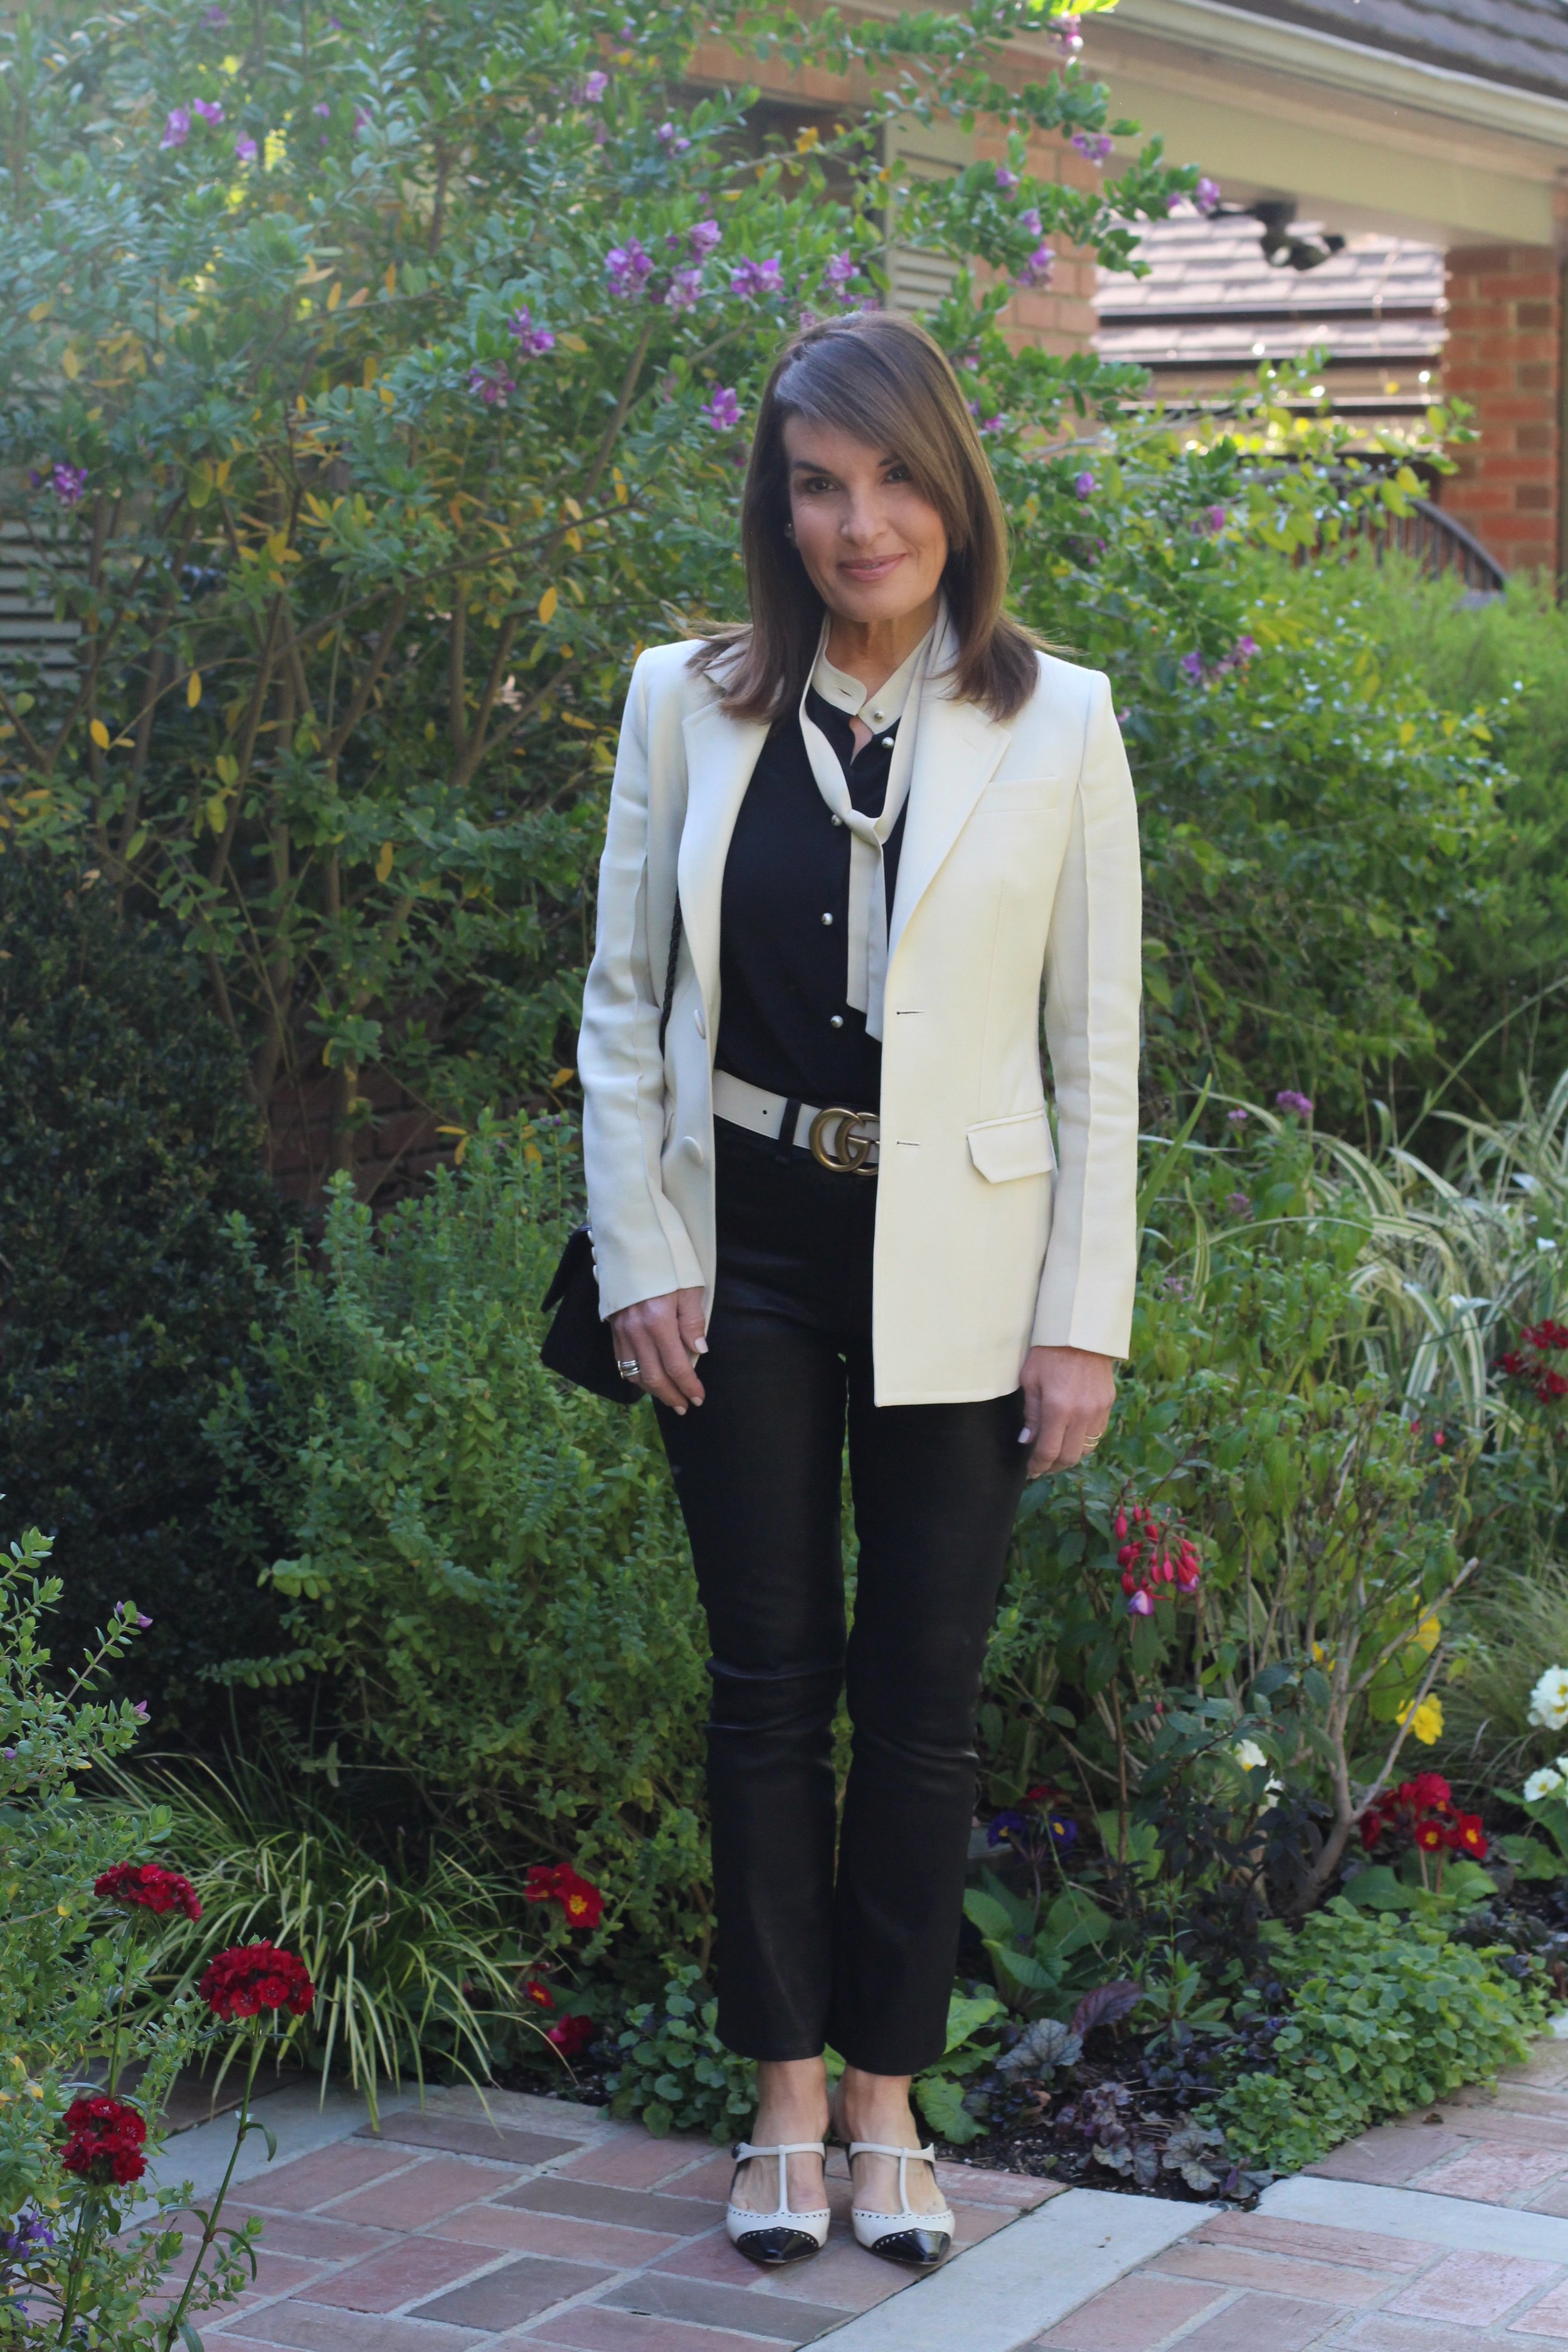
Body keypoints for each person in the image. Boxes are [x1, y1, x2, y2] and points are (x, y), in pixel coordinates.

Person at [578, 310, 1141, 2270]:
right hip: (744, 1261)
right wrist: (644, 1250)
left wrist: (1084, 1315)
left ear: (951, 492)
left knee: (918, 1709)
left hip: (971, 1273)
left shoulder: (1058, 719)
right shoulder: (686, 696)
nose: (856, 520)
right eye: (817, 485)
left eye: (892, 477)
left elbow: (1100, 1051)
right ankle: (782, 2097)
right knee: (764, 1695)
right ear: (778, 503)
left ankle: (891, 2101)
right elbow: (626, 1007)